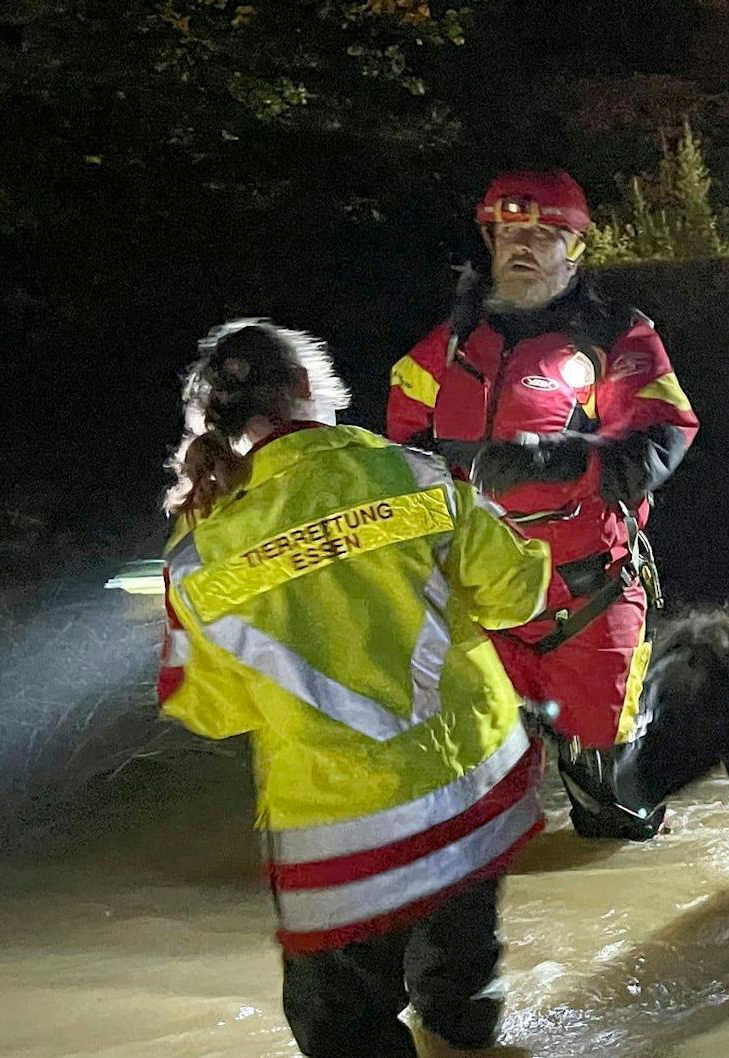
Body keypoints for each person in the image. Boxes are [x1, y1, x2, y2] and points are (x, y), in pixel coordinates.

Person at [158, 320, 552, 1058]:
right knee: (460, 994)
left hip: (342, 835)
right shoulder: (417, 476)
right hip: (471, 791)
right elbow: (517, 593)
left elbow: (207, 708)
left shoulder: (197, 553)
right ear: (309, 387)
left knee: (343, 1029)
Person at [386, 169, 699, 841]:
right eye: (508, 234)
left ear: (575, 248)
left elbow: (659, 440)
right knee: (461, 805)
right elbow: (398, 454)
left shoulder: (619, 337)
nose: (521, 247)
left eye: (542, 235)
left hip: (587, 599)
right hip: (476, 601)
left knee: (615, 808)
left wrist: (551, 460)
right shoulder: (447, 349)